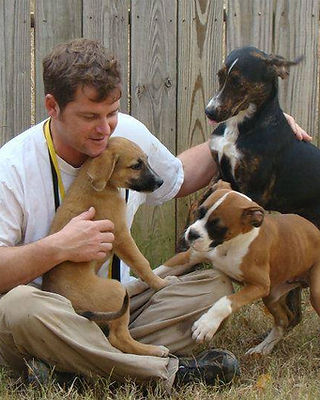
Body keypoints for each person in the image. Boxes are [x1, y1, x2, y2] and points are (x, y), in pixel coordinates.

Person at [0, 38, 310, 390]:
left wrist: (252, 133)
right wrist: (57, 247)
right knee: (18, 307)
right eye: (90, 117)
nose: (105, 129)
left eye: (112, 112)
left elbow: (178, 177)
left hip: (123, 307)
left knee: (214, 286)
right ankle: (164, 372)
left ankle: (73, 367)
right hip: (53, 316)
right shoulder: (11, 169)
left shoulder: (126, 135)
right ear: (52, 106)